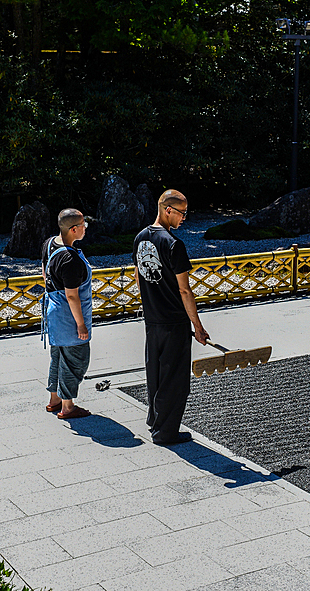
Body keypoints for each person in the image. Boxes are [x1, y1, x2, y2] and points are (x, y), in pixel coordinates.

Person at [132, 189, 209, 445]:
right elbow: (184, 290)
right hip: (174, 319)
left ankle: (155, 421)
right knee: (174, 379)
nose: (184, 218)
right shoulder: (174, 244)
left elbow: (138, 277)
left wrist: (149, 304)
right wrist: (197, 326)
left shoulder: (140, 238)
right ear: (168, 210)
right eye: (182, 213)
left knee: (154, 372)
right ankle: (166, 433)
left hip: (152, 319)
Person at [41, 208, 93, 419]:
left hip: (52, 310)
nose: (85, 229)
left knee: (58, 356)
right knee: (76, 359)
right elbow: (72, 296)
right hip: (68, 315)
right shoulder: (71, 260)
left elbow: (44, 272)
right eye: (83, 226)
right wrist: (80, 325)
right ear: (73, 229)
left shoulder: (49, 243)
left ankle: (54, 400)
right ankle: (68, 406)